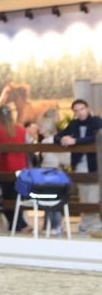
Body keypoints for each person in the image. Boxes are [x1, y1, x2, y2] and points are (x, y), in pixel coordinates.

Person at [55, 99, 102, 235]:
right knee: (84, 196)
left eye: (82, 109)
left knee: (93, 197)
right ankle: (89, 225)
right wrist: (62, 139)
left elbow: (96, 137)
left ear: (87, 108)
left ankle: (90, 225)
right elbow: (57, 137)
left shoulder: (96, 121)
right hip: (79, 165)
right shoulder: (74, 123)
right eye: (76, 111)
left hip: (95, 165)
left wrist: (75, 141)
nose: (80, 112)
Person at [0, 104, 30, 233]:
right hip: (20, 169)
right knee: (15, 198)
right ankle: (18, 225)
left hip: (1, 168)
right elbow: (29, 144)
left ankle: (17, 225)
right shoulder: (21, 129)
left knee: (4, 199)